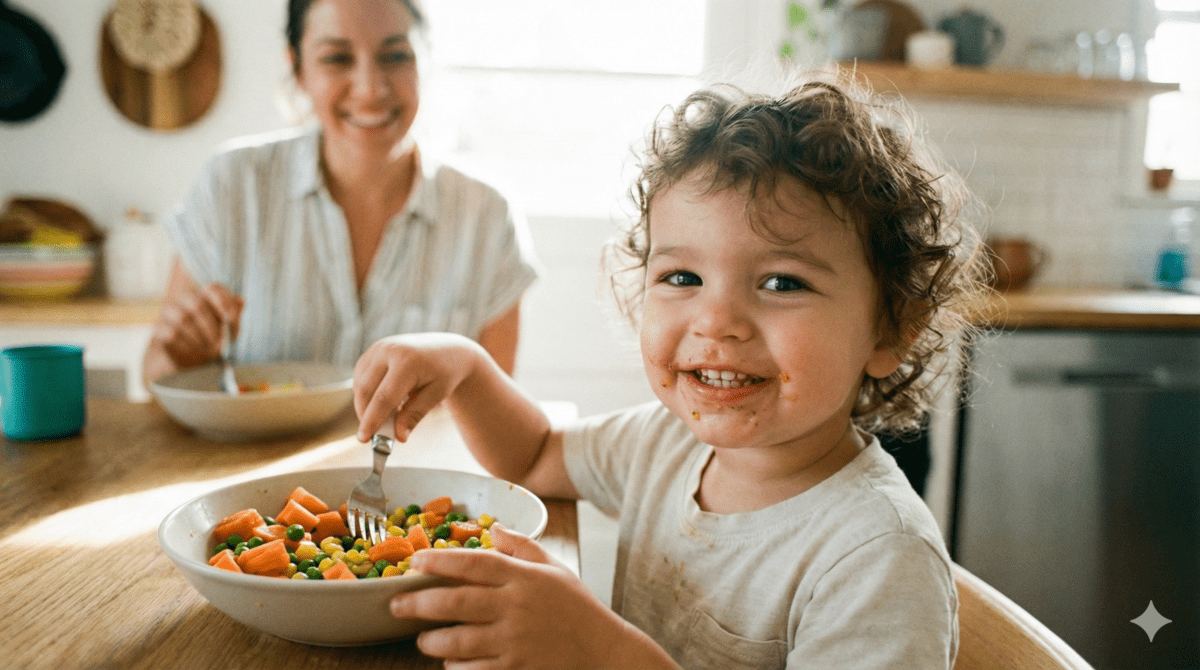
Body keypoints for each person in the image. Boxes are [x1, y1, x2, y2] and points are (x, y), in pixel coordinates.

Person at [352, 78, 989, 669]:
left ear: (890, 330)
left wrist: (596, 650)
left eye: (781, 282)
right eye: (682, 277)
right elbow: (535, 455)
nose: (717, 322)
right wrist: (467, 366)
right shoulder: (666, 442)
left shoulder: (877, 557)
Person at [142, 0, 538, 387]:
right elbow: (156, 372)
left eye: (396, 56)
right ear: (297, 69)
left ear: (426, 61)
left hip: (416, 457)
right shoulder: (232, 185)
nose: (370, 89)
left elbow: (496, 414)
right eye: (336, 58)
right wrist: (182, 363)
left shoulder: (487, 215)